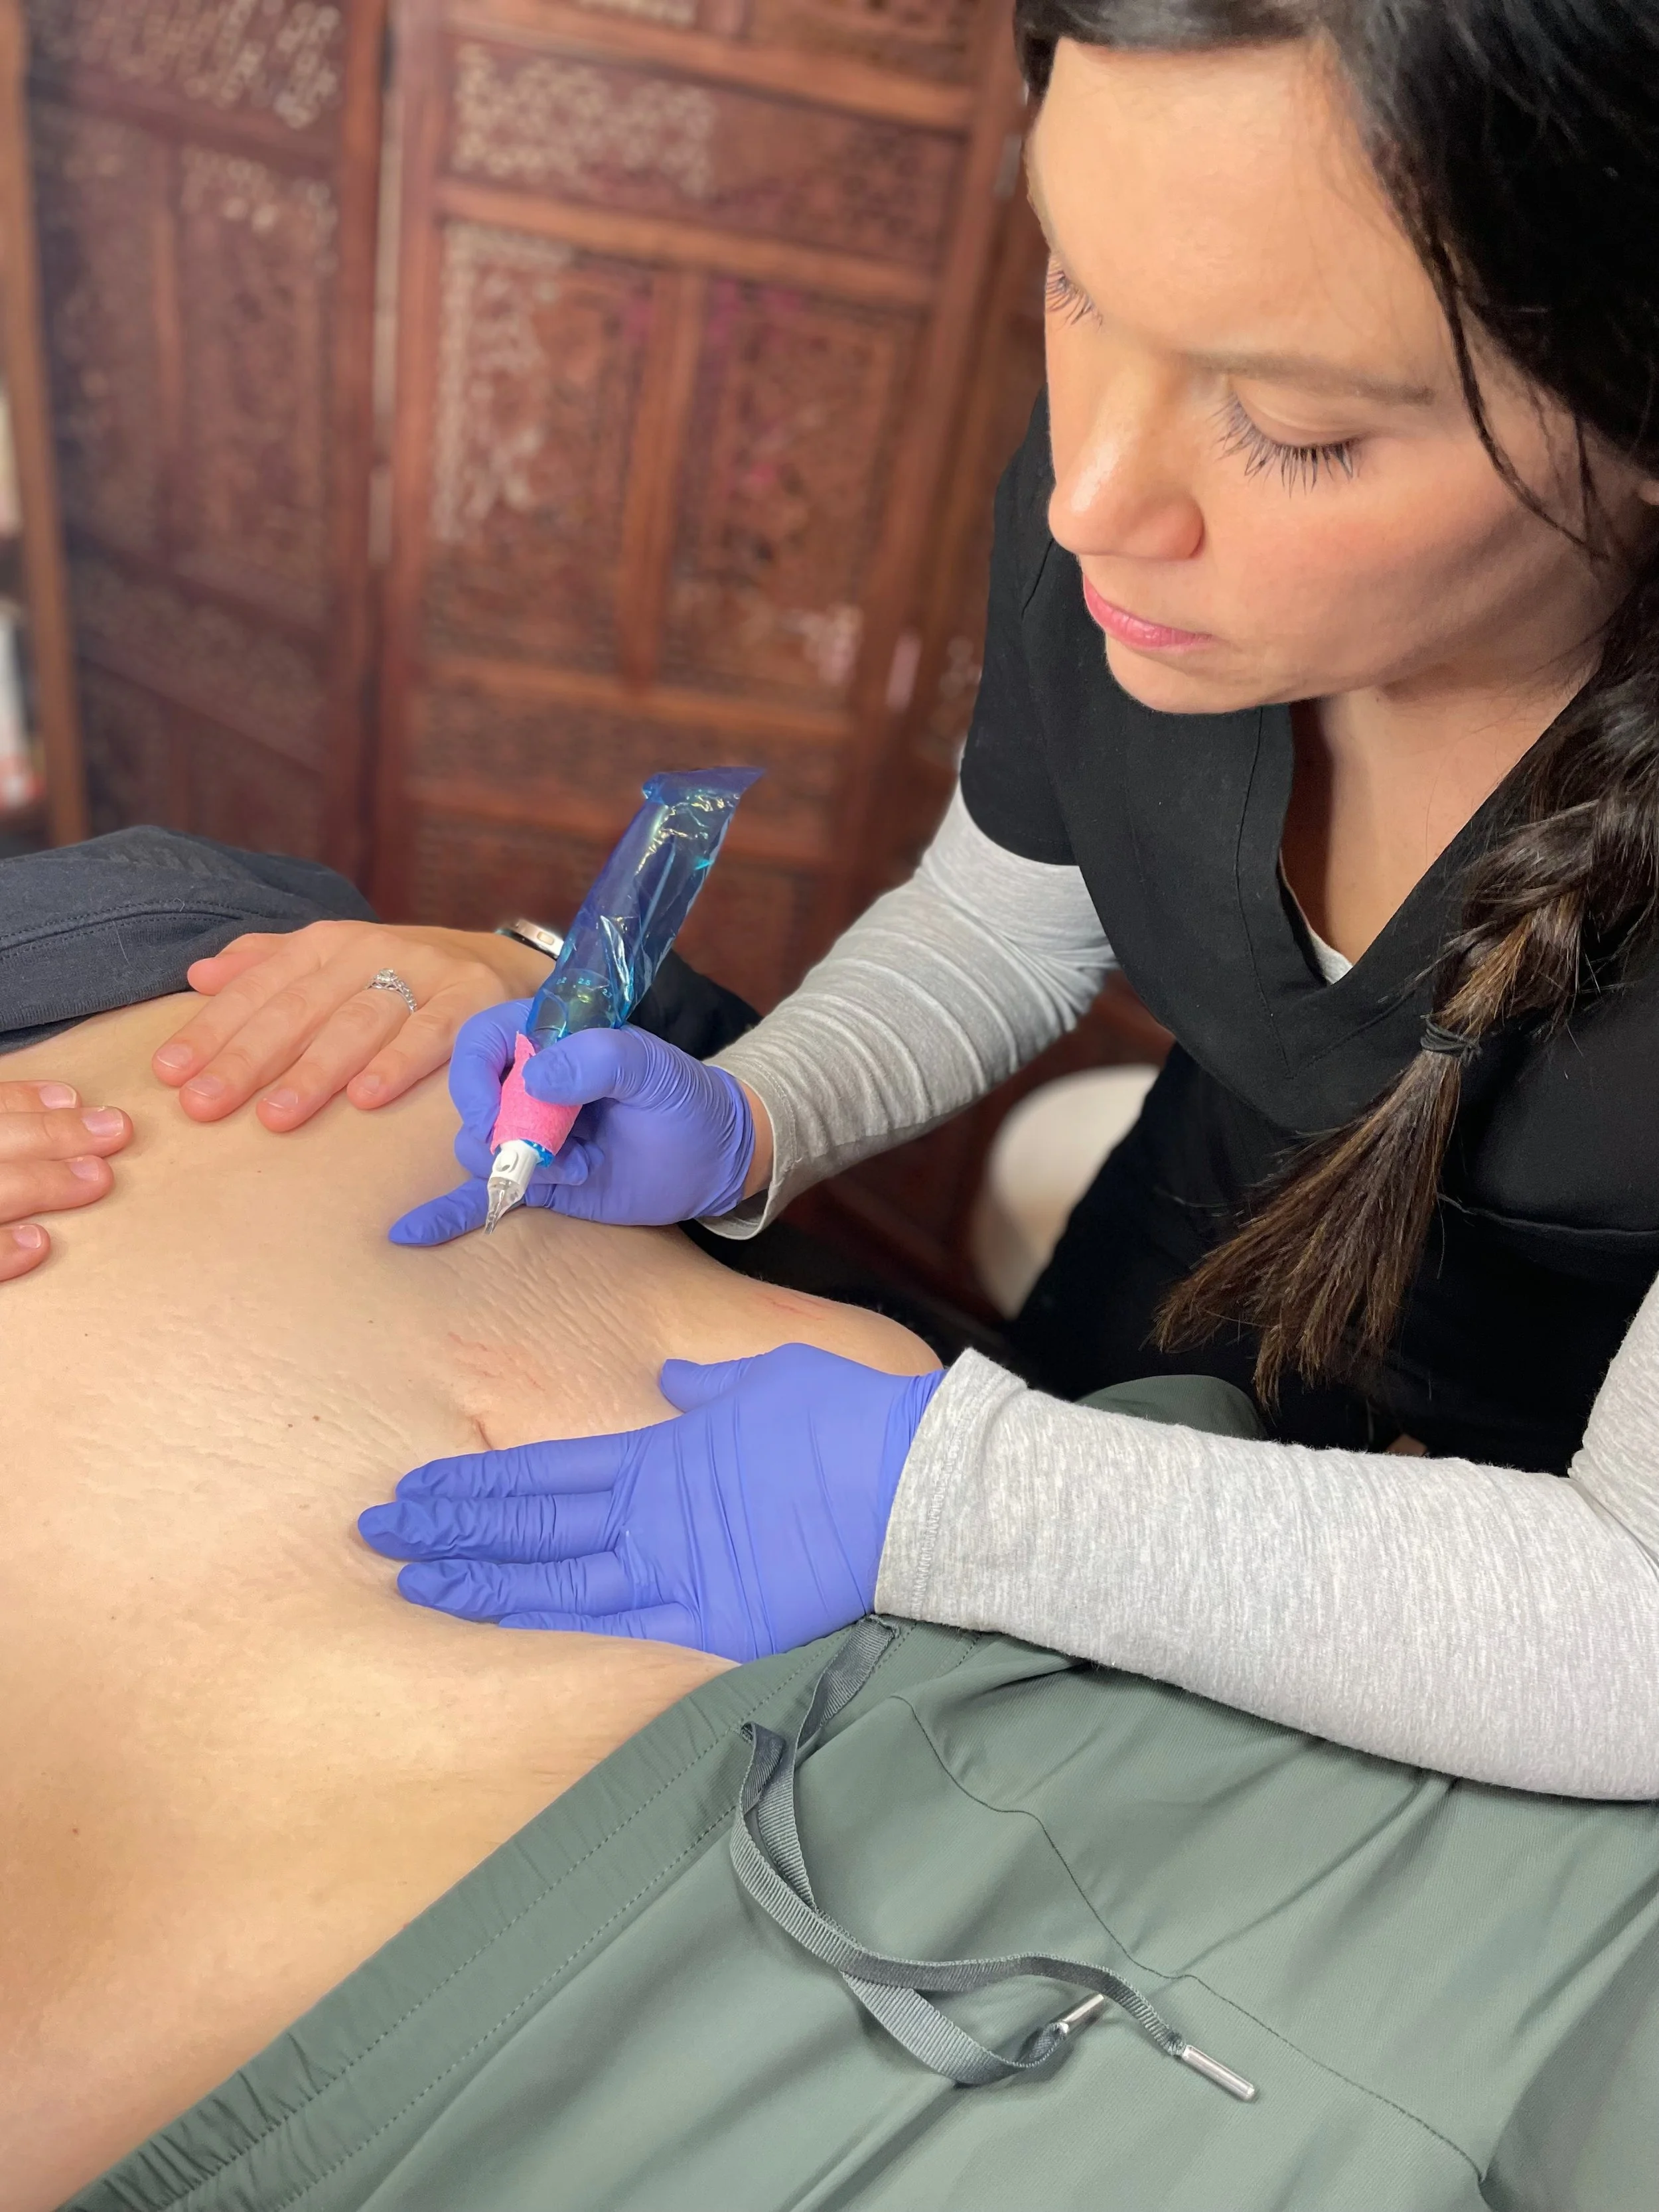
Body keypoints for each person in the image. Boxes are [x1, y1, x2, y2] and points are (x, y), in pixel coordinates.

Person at [350, 0, 1659, 1799]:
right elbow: (1012, 911)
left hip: (1525, 1563)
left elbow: (1629, 1626)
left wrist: (953, 1500)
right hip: (1185, 1254)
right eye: (1076, 286)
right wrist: (748, 1118)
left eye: (1286, 422)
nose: (1093, 501)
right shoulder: (1127, 542)